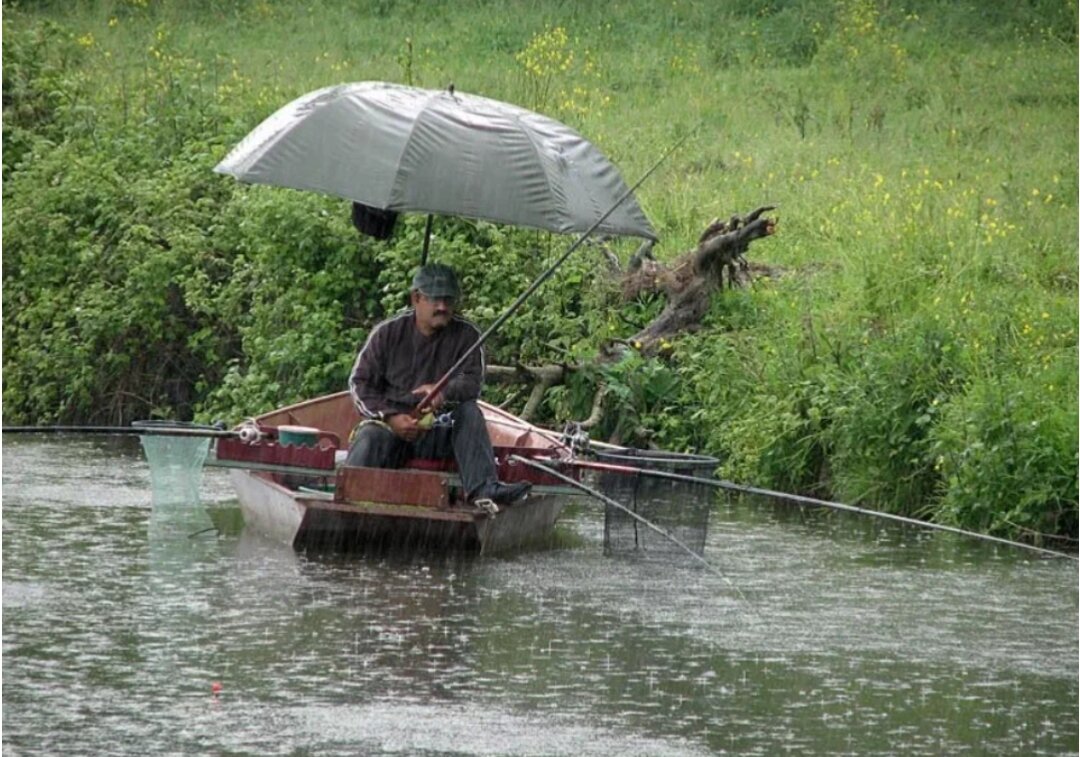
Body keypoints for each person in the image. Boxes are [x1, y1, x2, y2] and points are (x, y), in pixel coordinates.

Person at [346, 263, 531, 506]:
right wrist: (391, 417)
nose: (442, 307)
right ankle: (348, 498)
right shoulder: (387, 333)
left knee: (470, 412)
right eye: (435, 299)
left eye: (448, 300)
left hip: (439, 431)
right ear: (416, 298)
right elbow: (359, 383)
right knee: (369, 436)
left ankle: (484, 489)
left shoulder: (467, 335)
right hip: (391, 431)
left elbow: (472, 383)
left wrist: (443, 392)